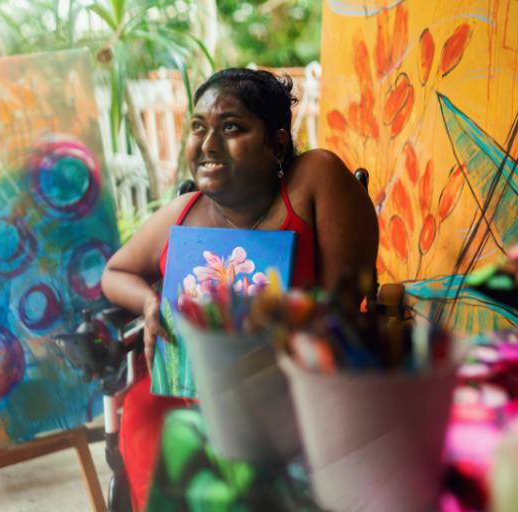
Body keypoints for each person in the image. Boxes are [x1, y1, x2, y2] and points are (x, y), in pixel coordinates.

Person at [100, 68, 379, 511]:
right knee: (146, 417)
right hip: (184, 396)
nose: (208, 144)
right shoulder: (182, 213)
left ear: (278, 145)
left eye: (231, 127)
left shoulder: (313, 181)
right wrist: (150, 303)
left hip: (295, 394)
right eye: (198, 127)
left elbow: (340, 311)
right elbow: (115, 272)